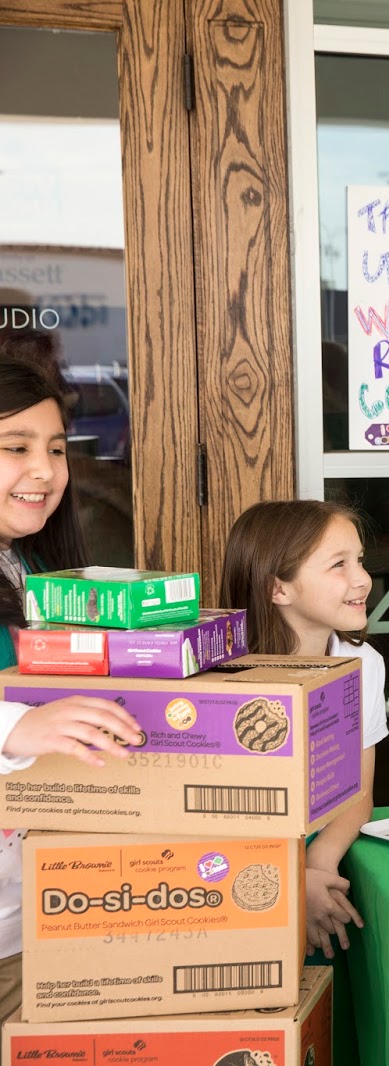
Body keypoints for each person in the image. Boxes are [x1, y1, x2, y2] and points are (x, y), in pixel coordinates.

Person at [0, 359, 141, 1018]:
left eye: (56, 449)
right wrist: (14, 728)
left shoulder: (32, 569)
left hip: (45, 915)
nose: (45, 471)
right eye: (16, 448)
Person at [221, 500, 389, 959]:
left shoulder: (363, 665)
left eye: (360, 561)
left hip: (322, 859)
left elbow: (358, 793)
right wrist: (289, 881)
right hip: (233, 872)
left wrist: (316, 868)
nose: (362, 580)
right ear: (278, 588)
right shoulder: (221, 675)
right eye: (339, 565)